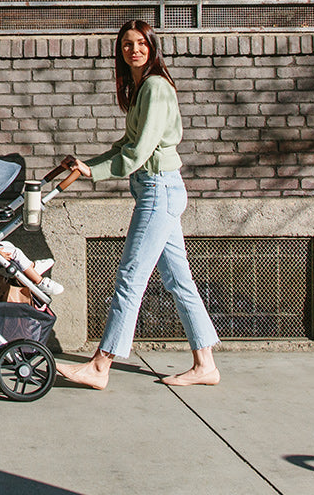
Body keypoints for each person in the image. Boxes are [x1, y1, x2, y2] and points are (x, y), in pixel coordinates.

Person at [56, 19, 220, 389]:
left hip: (159, 190)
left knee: (131, 276)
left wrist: (98, 172)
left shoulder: (156, 87)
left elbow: (140, 150)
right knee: (178, 280)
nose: (135, 50)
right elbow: (126, 144)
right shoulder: (141, 87)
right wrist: (88, 167)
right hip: (157, 188)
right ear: (120, 51)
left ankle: (101, 365)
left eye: (141, 43)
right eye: (127, 44)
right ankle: (205, 364)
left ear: (152, 46)